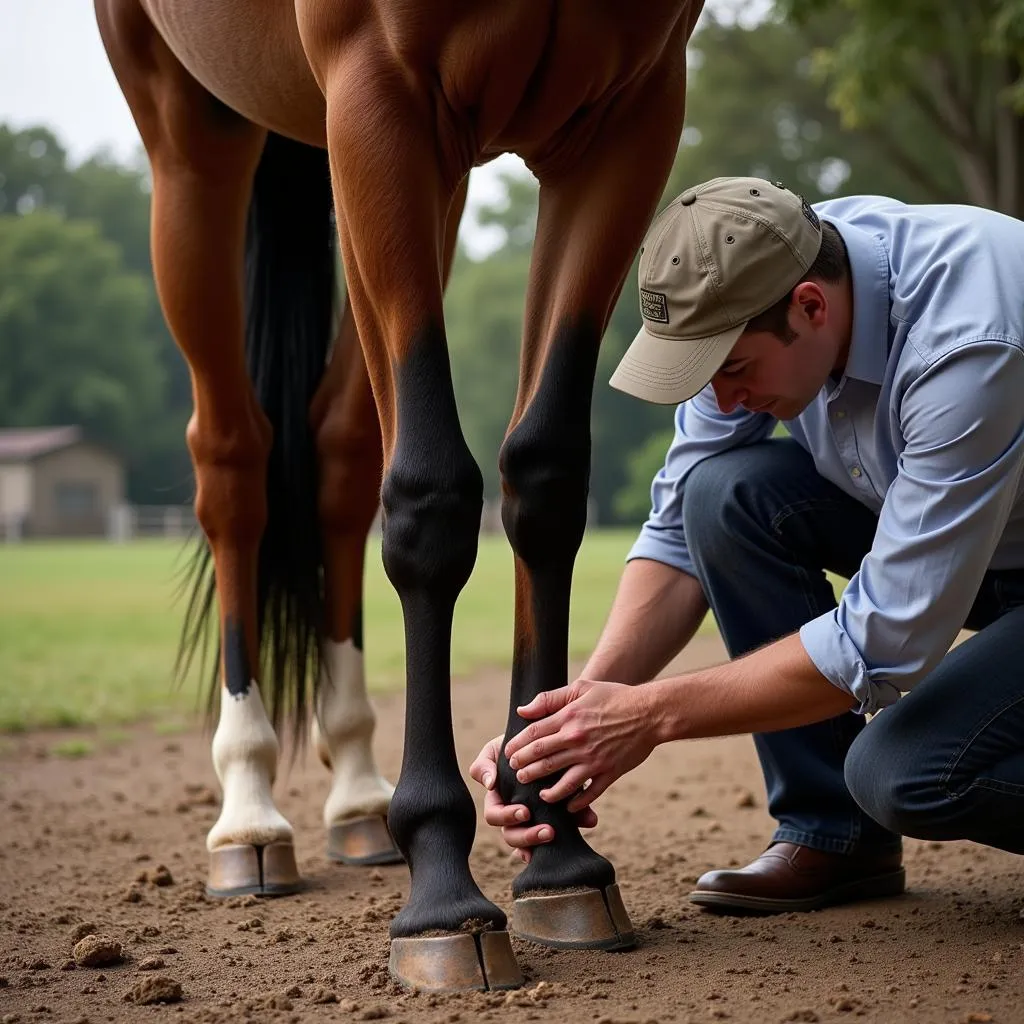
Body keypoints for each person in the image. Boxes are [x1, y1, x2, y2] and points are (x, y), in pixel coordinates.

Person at [469, 176, 1024, 914]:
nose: (723, 399)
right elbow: (677, 533)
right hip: (984, 545)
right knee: (724, 492)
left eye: (734, 370)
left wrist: (649, 717)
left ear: (811, 307)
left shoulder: (968, 339)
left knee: (905, 772)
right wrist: (571, 721)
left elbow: (887, 641)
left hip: (990, 553)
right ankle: (835, 840)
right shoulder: (746, 288)